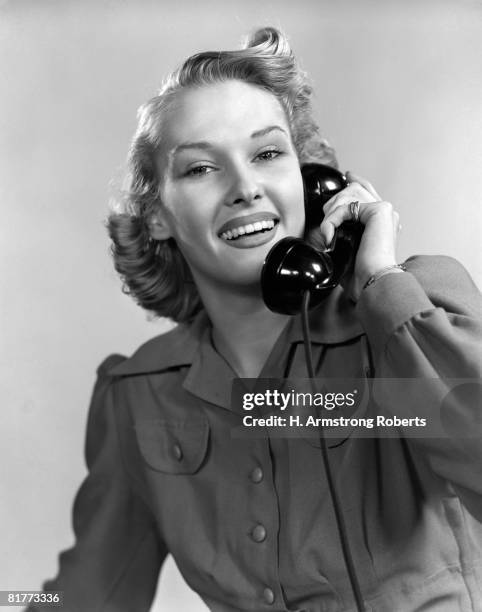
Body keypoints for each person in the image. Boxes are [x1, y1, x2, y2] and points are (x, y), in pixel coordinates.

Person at [29, 27, 482, 612]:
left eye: (268, 154)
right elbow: (83, 599)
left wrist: (377, 283)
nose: (245, 188)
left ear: (310, 181)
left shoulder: (413, 311)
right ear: (158, 215)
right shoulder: (138, 397)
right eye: (199, 169)